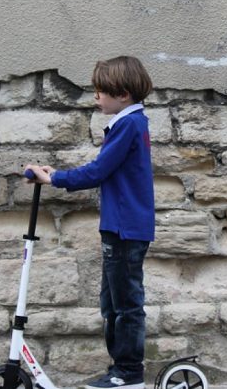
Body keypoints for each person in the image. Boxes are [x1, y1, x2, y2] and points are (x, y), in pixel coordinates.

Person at [24, 55, 155, 389]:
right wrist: (59, 175)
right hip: (119, 225)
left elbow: (98, 171)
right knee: (111, 303)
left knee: (125, 305)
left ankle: (128, 373)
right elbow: (104, 169)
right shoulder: (130, 122)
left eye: (101, 91)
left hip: (125, 227)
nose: (96, 97)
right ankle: (120, 370)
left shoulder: (128, 124)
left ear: (123, 94)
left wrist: (55, 180)